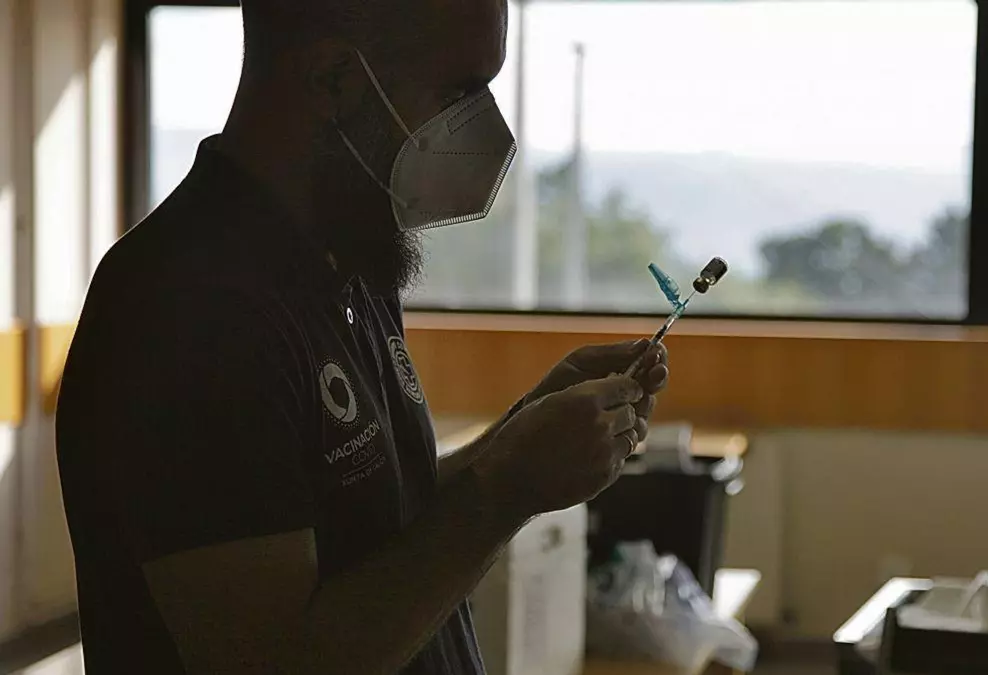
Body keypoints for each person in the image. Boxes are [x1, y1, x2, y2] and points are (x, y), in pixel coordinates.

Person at [54, 0, 668, 673]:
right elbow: (275, 661)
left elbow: (376, 520)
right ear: (334, 79)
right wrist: (508, 491)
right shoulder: (192, 307)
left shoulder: (349, 251)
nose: (484, 127)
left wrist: (519, 437)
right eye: (459, 93)